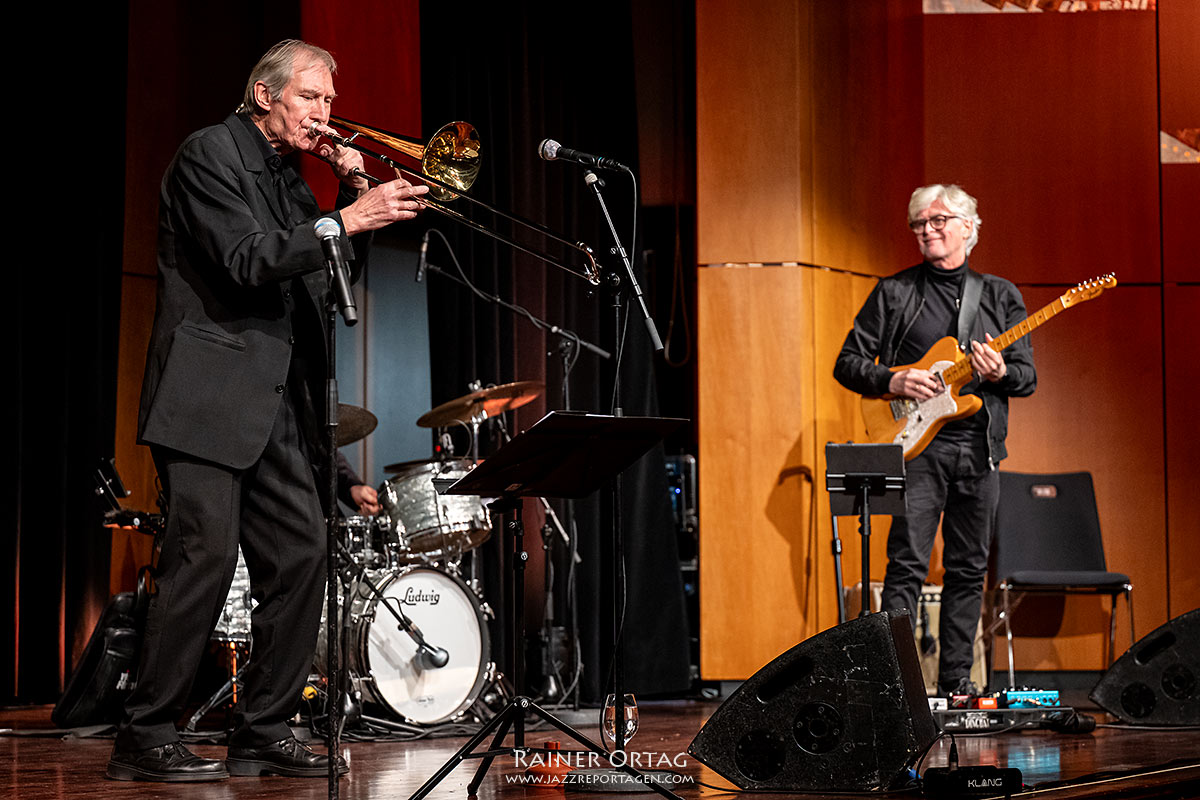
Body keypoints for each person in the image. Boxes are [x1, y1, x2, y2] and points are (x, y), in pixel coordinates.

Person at [108, 39, 427, 782]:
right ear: (265, 96)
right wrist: (345, 220)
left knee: (301, 556)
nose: (325, 115)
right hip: (208, 398)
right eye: (311, 98)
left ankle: (265, 726)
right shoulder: (207, 155)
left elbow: (321, 283)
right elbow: (248, 258)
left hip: (278, 404)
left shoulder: (290, 179)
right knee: (205, 560)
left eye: (327, 103)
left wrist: (351, 204)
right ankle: (146, 730)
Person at [833, 184, 1036, 696]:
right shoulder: (894, 292)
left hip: (979, 449)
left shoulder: (1000, 295)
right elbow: (848, 363)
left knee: (968, 570)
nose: (927, 231)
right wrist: (893, 380)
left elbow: (1026, 378)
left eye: (938, 221)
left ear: (969, 227)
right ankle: (895, 684)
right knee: (906, 565)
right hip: (916, 447)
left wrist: (997, 372)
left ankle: (956, 683)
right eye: (919, 224)